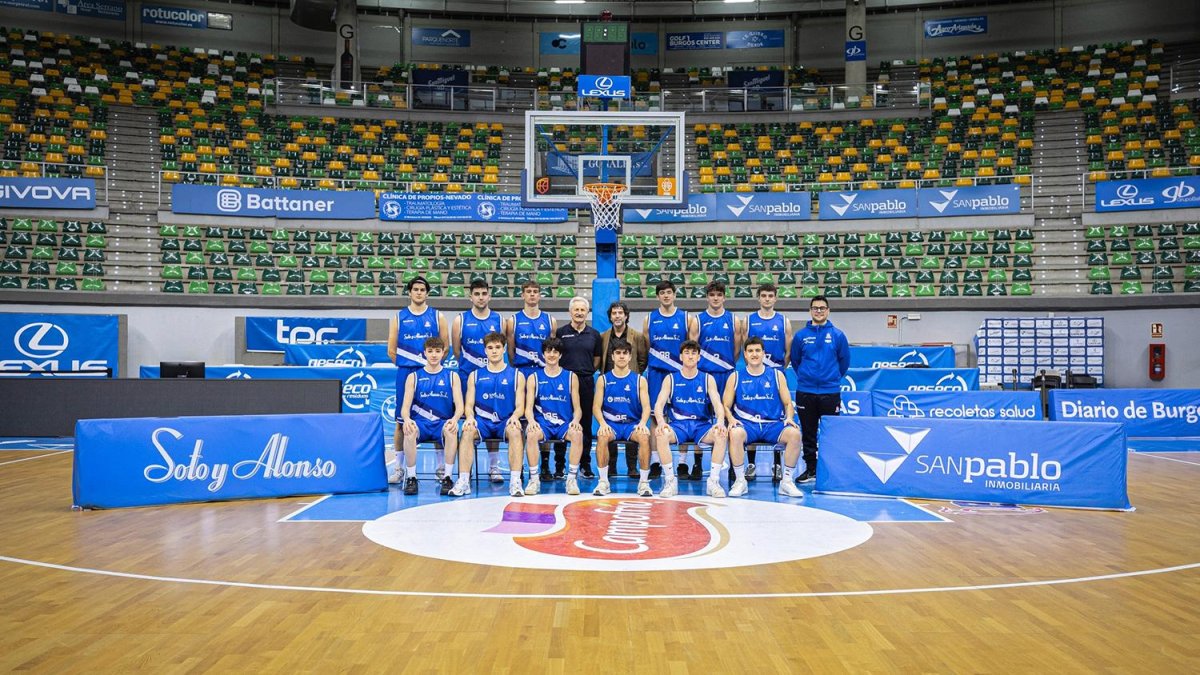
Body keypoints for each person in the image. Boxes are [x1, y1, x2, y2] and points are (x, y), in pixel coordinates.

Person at [716, 337, 804, 499]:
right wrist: (731, 419)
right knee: (735, 433)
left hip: (772, 424)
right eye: (750, 351)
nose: (754, 354)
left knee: (795, 434)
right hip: (748, 425)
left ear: (764, 353)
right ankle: (740, 481)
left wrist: (790, 417)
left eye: (758, 351)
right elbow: (725, 405)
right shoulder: (735, 377)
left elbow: (787, 403)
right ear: (745, 355)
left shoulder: (777, 375)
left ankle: (787, 481)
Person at [387, 275, 449, 482]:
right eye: (416, 289)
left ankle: (441, 468)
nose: (419, 293)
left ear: (427, 293)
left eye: (423, 290)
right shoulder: (399, 317)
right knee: (400, 422)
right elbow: (391, 350)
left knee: (439, 417)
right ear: (410, 292)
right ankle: (399, 468)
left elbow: (446, 347)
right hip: (406, 374)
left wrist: (430, 366)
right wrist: (410, 364)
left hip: (431, 373)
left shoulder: (437, 316)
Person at [788, 295, 851, 483]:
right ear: (810, 310)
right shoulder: (800, 336)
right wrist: (807, 378)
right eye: (815, 308)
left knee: (830, 432)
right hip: (806, 392)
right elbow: (796, 360)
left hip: (830, 392)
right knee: (808, 432)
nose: (819, 311)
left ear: (828, 311)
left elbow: (844, 362)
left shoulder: (838, 335)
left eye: (822, 308)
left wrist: (830, 378)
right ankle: (811, 469)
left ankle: (830, 469)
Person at [452, 278, 507, 483]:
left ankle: (494, 467)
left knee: (493, 417)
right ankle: (466, 472)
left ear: (489, 295)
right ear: (470, 297)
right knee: (470, 423)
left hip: (493, 377)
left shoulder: (500, 320)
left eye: (484, 293)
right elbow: (457, 351)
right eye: (477, 294)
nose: (481, 297)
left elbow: (503, 348)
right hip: (468, 377)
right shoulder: (460, 320)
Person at [461, 332, 529, 497]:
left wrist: (514, 417)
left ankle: (515, 482)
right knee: (467, 431)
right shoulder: (475, 375)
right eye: (490, 348)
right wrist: (470, 417)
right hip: (482, 422)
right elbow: (468, 405)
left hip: (505, 422)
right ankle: (463, 481)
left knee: (515, 431)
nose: (494, 351)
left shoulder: (517, 375)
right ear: (485, 351)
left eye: (498, 347)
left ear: (504, 349)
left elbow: (520, 406)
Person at [653, 340, 721, 499]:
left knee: (721, 434)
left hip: (701, 425)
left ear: (698, 357)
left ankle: (714, 482)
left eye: (693, 353)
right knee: (661, 434)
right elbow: (658, 404)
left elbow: (718, 404)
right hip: (678, 425)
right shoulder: (670, 379)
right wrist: (661, 422)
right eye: (687, 353)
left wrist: (720, 422)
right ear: (681, 357)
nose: (690, 356)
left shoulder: (707, 379)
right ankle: (670, 481)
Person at [398, 337, 463, 496]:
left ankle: (447, 477)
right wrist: (407, 420)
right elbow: (404, 408)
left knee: (451, 430)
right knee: (409, 430)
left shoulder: (452, 376)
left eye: (437, 351)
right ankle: (411, 477)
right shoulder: (414, 377)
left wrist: (454, 420)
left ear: (443, 354)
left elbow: (460, 406)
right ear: (424, 353)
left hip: (442, 423)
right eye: (430, 351)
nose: (434, 355)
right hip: (421, 423)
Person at [741, 282, 794, 480]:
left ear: (775, 298)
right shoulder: (748, 320)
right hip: (753, 373)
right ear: (758, 298)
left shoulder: (784, 321)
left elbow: (788, 352)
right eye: (763, 295)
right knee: (751, 413)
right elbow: (745, 348)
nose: (767, 299)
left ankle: (777, 465)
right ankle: (751, 464)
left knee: (775, 417)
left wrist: (776, 369)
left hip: (775, 374)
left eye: (770, 296)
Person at [643, 280, 696, 476]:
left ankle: (682, 462)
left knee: (683, 414)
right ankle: (656, 461)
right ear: (657, 296)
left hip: (679, 373)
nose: (666, 296)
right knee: (657, 417)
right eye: (662, 293)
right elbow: (649, 345)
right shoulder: (649, 319)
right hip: (657, 372)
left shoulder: (686, 318)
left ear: (674, 295)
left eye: (669, 292)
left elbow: (691, 347)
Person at [594, 339, 656, 497]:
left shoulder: (639, 380)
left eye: (625, 353)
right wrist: (602, 423)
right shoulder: (603, 379)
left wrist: (643, 423)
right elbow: (596, 407)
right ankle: (603, 482)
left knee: (644, 436)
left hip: (631, 424)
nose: (621, 356)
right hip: (611, 425)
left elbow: (647, 407)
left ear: (630, 357)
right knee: (602, 435)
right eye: (618, 353)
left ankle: (643, 483)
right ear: (612, 357)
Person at [507, 279, 556, 478]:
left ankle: (544, 464)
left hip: (543, 373)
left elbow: (551, 346)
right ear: (523, 294)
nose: (532, 295)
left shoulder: (549, 320)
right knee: (520, 417)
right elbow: (510, 351)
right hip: (521, 371)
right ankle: (518, 466)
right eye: (528, 291)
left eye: (536, 291)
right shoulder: (513, 320)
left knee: (543, 416)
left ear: (540, 295)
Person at [525, 337, 585, 496]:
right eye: (548, 351)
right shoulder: (534, 378)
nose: (551, 354)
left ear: (560, 355)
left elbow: (578, 408)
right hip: (543, 424)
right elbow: (528, 408)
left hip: (564, 424)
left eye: (555, 351)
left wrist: (575, 420)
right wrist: (531, 421)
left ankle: (571, 479)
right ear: (543, 354)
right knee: (531, 434)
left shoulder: (571, 377)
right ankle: (534, 479)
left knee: (578, 434)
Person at [691, 280, 738, 480]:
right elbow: (693, 349)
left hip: (727, 375)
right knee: (699, 417)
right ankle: (697, 464)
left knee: (729, 419)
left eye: (719, 294)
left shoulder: (734, 320)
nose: (716, 298)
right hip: (705, 377)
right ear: (708, 297)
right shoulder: (698, 320)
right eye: (712, 295)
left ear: (724, 297)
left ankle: (733, 465)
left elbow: (737, 349)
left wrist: (725, 365)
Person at [599, 301, 648, 477]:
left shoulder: (637, 336)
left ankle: (632, 467)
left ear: (626, 316)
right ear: (610, 317)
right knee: (610, 421)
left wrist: (632, 377)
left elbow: (643, 360)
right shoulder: (604, 336)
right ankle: (610, 466)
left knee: (632, 421)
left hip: (630, 383)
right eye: (614, 313)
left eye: (620, 312)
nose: (617, 316)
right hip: (610, 385)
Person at [555, 296, 602, 479]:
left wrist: (586, 371)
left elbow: (597, 360)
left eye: (583, 310)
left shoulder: (594, 334)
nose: (579, 313)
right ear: (570, 312)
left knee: (585, 423)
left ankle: (585, 464)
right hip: (564, 382)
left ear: (587, 312)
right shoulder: (560, 332)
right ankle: (559, 465)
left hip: (585, 382)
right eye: (576, 310)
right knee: (561, 422)